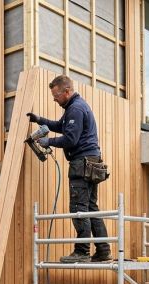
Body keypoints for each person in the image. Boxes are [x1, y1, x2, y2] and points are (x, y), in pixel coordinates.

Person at [27, 74, 111, 263]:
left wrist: (47, 141)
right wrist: (39, 119)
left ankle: (82, 252)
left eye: (56, 95)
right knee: (90, 208)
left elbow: (70, 139)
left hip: (82, 163)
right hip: (91, 162)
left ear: (67, 91)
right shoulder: (74, 107)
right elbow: (61, 126)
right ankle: (103, 251)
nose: (54, 99)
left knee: (79, 208)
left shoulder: (76, 109)